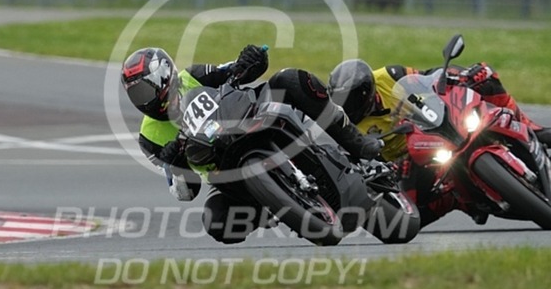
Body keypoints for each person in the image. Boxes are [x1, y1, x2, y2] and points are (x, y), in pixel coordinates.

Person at [121, 45, 382, 244]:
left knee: (289, 79)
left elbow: (234, 70)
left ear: (165, 77)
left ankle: (355, 142)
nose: (145, 100)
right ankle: (273, 205)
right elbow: (185, 193)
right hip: (225, 172)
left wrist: (251, 59)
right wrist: (175, 164)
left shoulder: (193, 76)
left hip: (249, 118)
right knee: (215, 220)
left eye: (145, 91)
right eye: (136, 95)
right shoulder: (149, 139)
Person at [327, 59, 551, 227]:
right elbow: (357, 164)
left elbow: (427, 78)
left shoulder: (387, 76)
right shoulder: (346, 126)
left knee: (486, 75)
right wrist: (384, 171)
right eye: (343, 103)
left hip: (434, 125)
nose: (349, 108)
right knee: (410, 218)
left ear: (367, 91)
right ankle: (463, 201)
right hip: (410, 162)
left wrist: (458, 76)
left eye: (352, 101)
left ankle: (529, 126)